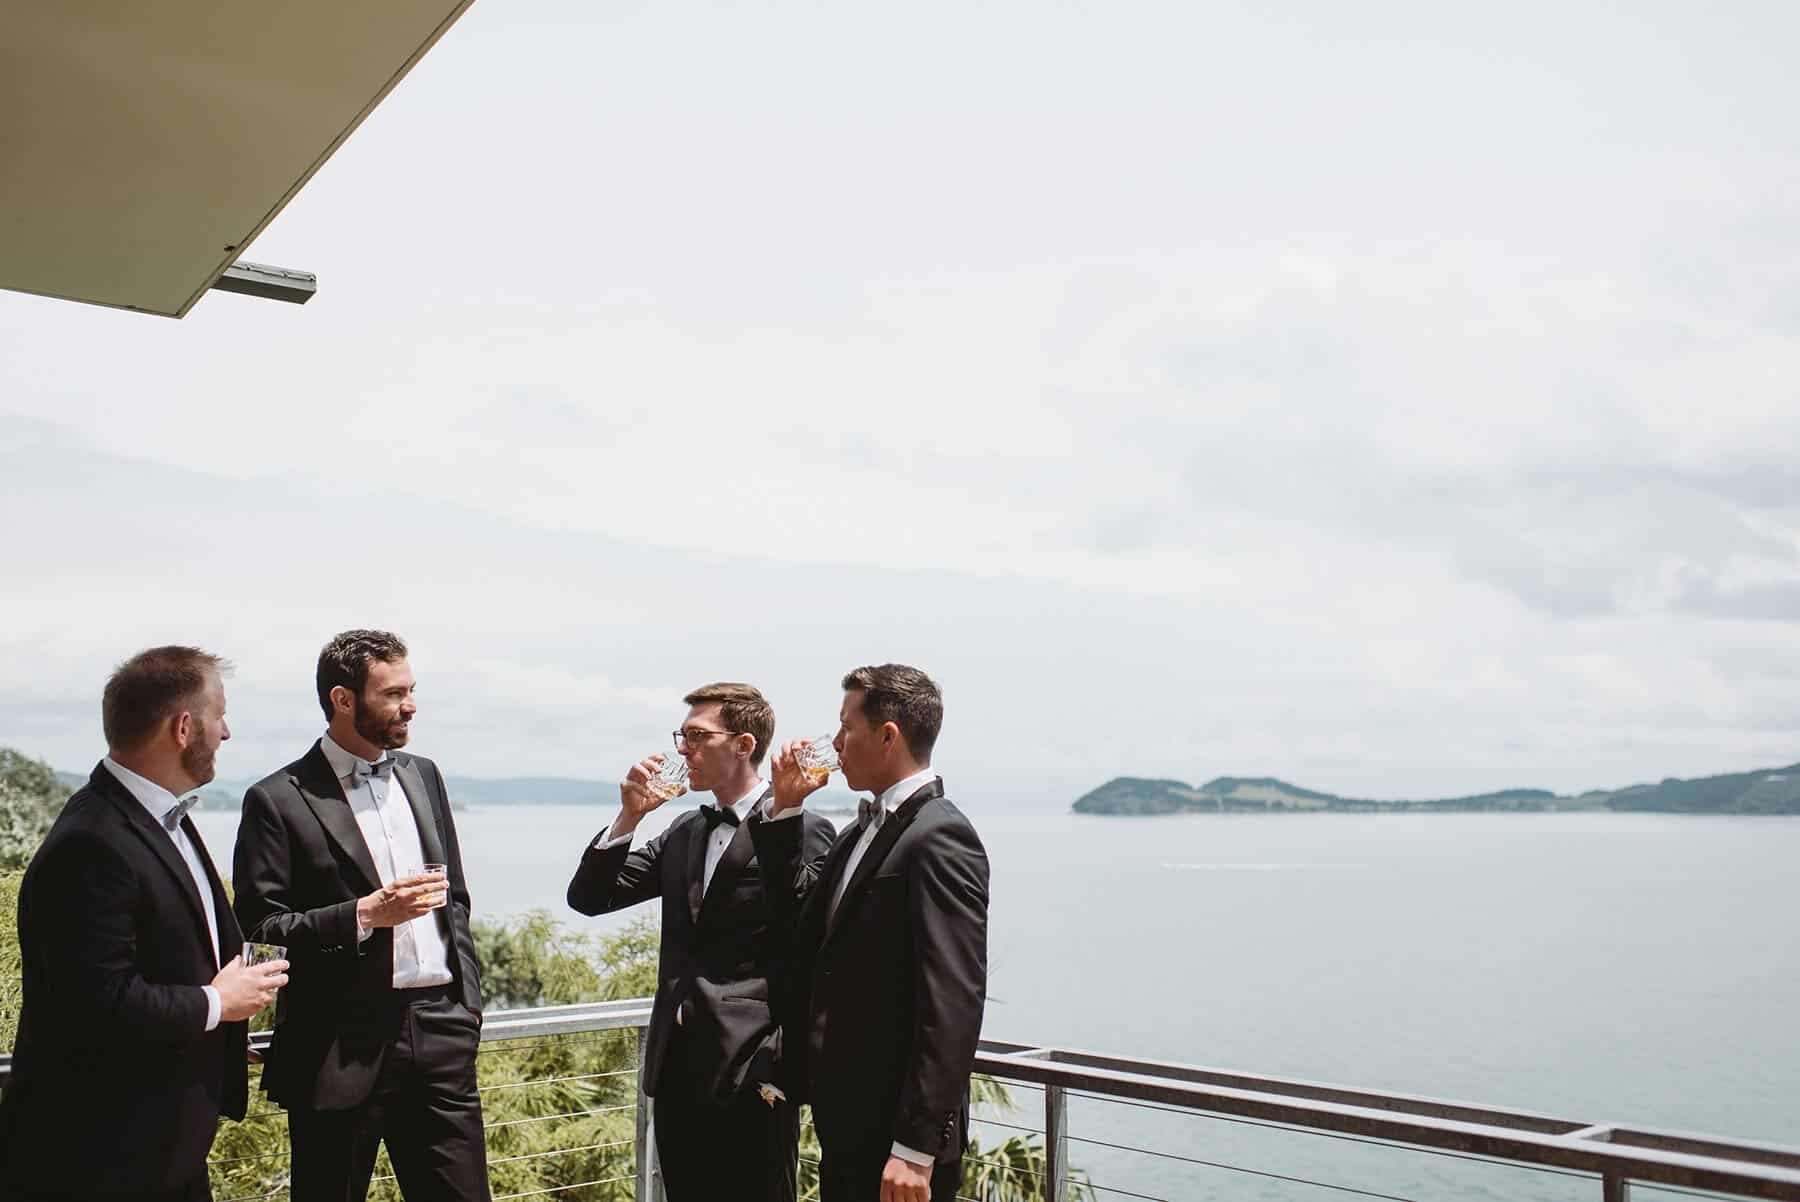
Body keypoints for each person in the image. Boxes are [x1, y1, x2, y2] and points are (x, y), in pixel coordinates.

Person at [0, 646, 286, 1201]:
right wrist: (217, 1003)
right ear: (183, 727)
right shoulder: (90, 842)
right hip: (98, 1157)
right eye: (218, 714)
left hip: (163, 1148)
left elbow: (170, 957)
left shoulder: (158, 817)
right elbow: (95, 1002)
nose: (226, 732)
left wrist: (222, 1035)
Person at [231, 630, 488, 1202]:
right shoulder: (277, 798)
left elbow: (458, 900)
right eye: (394, 693)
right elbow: (258, 928)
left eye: (411, 690)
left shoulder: (424, 775)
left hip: (441, 1031)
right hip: (336, 1047)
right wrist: (364, 914)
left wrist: (466, 1003)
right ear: (343, 699)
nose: (411, 705)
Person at [567, 682, 835, 1202]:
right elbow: (589, 898)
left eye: (696, 736)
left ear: (743, 744)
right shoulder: (685, 830)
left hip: (755, 1067)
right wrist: (630, 816)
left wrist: (780, 1060)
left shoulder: (804, 829)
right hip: (677, 1067)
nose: (682, 750)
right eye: (681, 736)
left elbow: (806, 930)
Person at [754, 664, 989, 1202]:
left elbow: (951, 1001)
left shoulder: (940, 835)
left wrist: (915, 1147)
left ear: (889, 735)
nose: (834, 744)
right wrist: (787, 808)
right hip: (847, 1120)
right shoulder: (859, 830)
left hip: (896, 1141)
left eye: (845, 728)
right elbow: (801, 921)